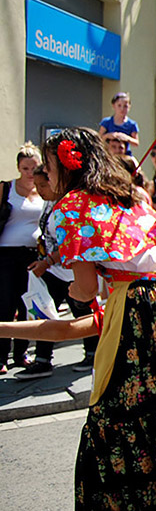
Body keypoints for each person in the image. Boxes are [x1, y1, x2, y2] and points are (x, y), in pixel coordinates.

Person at [0, 127, 156, 511]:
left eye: (46, 169)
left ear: (67, 166)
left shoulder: (73, 206)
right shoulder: (129, 195)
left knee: (115, 412)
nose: (41, 178)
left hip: (133, 312)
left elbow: (85, 294)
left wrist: (75, 288)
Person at [17, 165, 96, 379]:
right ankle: (43, 359)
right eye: (37, 185)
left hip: (72, 271)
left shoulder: (68, 204)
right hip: (54, 270)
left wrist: (49, 260)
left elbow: (74, 240)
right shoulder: (49, 203)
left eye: (44, 184)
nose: (41, 189)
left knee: (83, 314)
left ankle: (93, 354)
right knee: (45, 312)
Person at [0, 142, 44, 375]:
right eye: (25, 168)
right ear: (19, 168)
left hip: (31, 254)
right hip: (6, 252)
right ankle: (1, 356)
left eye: (33, 168)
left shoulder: (43, 191)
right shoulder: (6, 188)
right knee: (5, 304)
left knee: (26, 304)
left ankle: (21, 353)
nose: (29, 173)